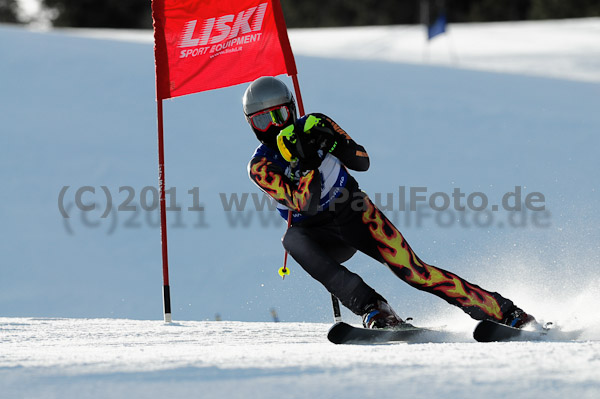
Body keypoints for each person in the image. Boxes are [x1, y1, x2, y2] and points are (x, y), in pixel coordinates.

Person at [244, 76, 535, 329]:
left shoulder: (316, 123)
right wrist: (306, 164)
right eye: (262, 120)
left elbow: (362, 161)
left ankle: (504, 312)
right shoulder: (260, 165)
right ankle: (374, 308)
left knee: (414, 272)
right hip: (317, 234)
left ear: (291, 109)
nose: (273, 126)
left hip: (355, 213)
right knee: (291, 239)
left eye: (279, 115)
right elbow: (304, 204)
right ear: (252, 125)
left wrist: (332, 142)